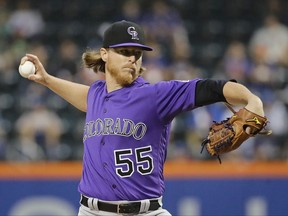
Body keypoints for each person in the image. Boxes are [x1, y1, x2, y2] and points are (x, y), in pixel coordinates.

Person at [19, 20, 266, 216]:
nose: (132, 58)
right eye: (125, 51)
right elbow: (84, 96)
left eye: (137, 53)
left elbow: (209, 88)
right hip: (90, 211)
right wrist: (47, 79)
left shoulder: (154, 96)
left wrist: (251, 100)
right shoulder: (96, 95)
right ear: (104, 54)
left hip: (145, 212)